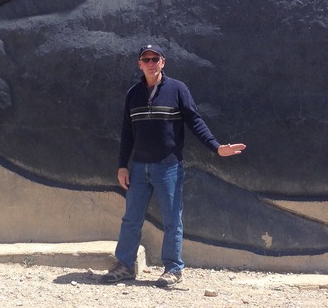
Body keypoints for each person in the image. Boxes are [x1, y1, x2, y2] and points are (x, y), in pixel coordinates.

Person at [102, 44, 246, 288]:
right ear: (139, 64)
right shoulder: (133, 94)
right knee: (131, 219)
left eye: (154, 59)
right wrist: (122, 166)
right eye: (145, 59)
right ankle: (125, 266)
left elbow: (195, 121)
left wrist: (216, 147)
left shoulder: (178, 90)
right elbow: (127, 133)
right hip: (138, 168)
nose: (150, 63)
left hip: (168, 168)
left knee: (171, 219)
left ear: (163, 62)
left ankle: (173, 269)